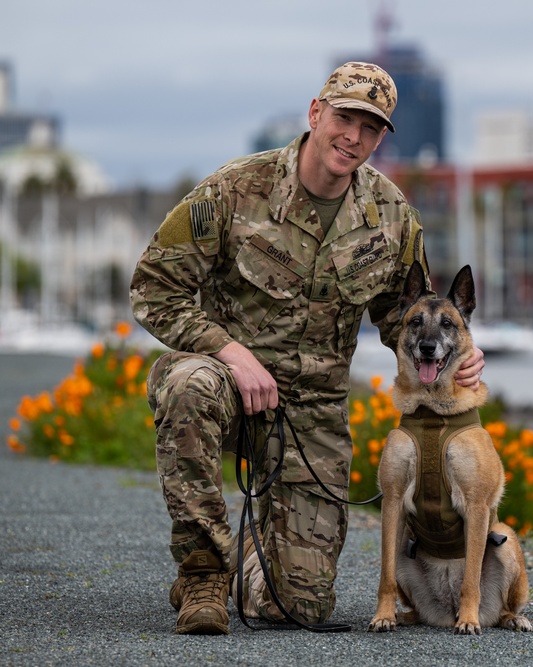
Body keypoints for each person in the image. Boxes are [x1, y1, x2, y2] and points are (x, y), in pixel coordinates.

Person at [130, 62, 485, 635]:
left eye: (371, 129)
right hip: (229, 388)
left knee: (298, 608)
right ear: (316, 114)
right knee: (187, 383)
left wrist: (458, 354)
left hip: (311, 415)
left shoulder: (392, 217)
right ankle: (201, 576)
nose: (354, 137)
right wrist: (228, 351)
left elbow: (408, 320)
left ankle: (251, 552)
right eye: (345, 118)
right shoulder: (234, 190)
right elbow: (153, 289)